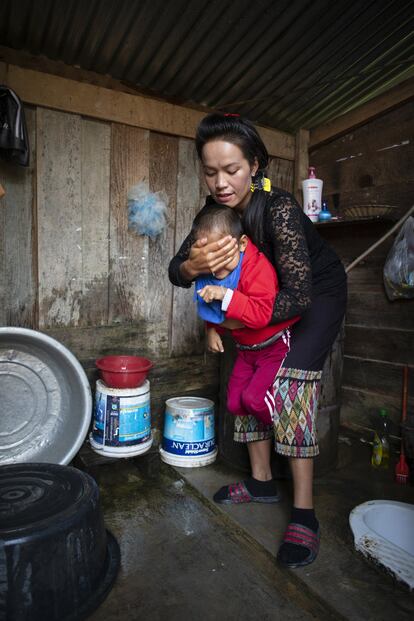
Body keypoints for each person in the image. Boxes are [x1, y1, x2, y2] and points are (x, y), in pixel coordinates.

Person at [168, 113, 347, 568]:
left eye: (232, 170)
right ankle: (262, 482)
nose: (221, 182)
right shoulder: (215, 213)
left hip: (314, 295)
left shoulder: (278, 207)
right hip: (257, 300)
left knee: (290, 383)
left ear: (256, 165)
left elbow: (300, 294)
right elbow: (176, 270)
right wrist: (193, 268)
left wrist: (235, 314)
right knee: (246, 372)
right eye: (210, 171)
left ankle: (305, 513)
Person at [192, 205, 298, 456]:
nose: (217, 271)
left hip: (273, 345)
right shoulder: (214, 270)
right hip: (245, 349)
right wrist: (211, 330)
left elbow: (262, 314)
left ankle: (287, 424)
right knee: (234, 402)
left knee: (254, 400)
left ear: (240, 244)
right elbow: (211, 307)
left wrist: (225, 294)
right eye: (211, 261)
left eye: (223, 260)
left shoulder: (256, 268)